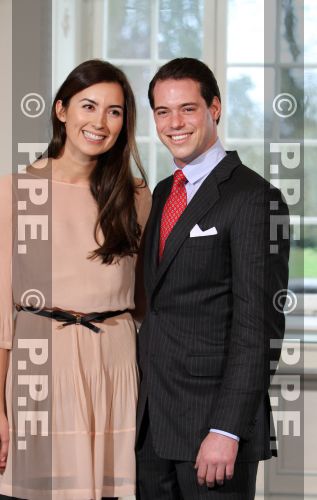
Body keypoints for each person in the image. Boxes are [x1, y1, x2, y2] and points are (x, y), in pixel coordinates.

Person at [136, 58, 289, 500]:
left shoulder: (257, 198)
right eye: (163, 112)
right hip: (152, 427)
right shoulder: (164, 192)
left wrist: (226, 429)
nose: (175, 123)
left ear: (214, 109)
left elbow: (258, 327)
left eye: (188, 108)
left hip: (213, 431)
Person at [0, 59, 151, 500]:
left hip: (115, 365)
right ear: (62, 110)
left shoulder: (137, 197)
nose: (100, 122)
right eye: (89, 106)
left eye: (115, 111)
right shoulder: (15, 192)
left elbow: (146, 300)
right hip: (42, 366)